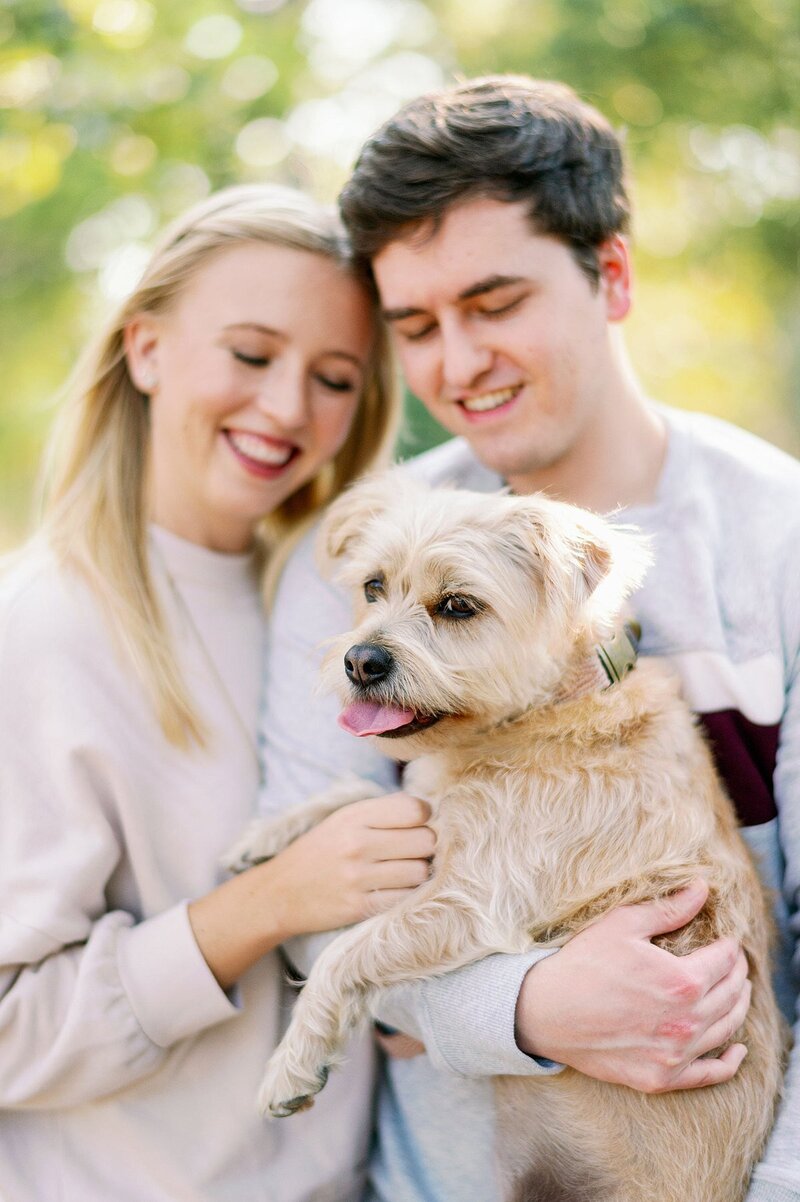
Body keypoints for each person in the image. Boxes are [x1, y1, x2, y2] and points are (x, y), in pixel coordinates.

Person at [258, 78, 800, 1201]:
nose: (458, 366)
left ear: (610, 274)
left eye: (493, 301)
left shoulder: (776, 543)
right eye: (415, 326)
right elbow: (305, 917)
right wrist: (524, 1006)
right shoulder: (367, 557)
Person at [0, 183, 437, 1202]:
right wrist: (267, 901)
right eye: (249, 354)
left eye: (334, 377)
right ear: (145, 348)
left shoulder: (336, 612)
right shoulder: (38, 628)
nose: (286, 409)